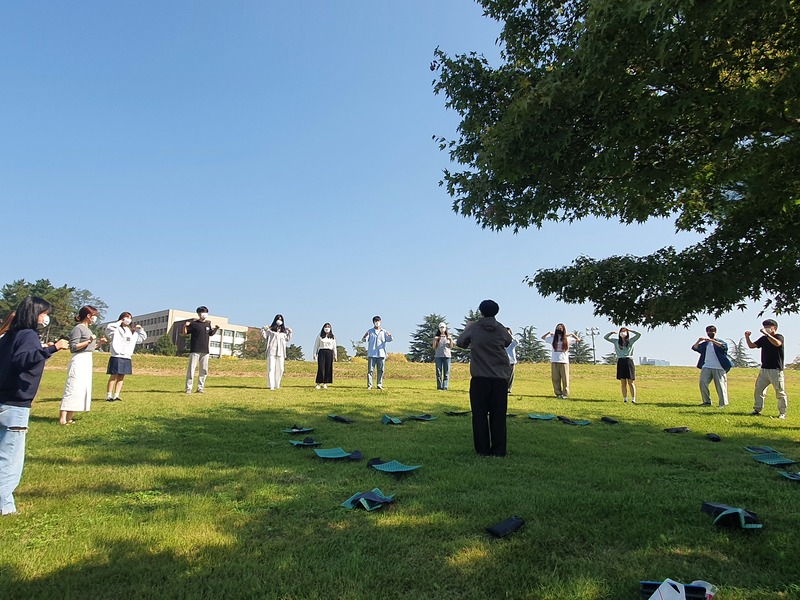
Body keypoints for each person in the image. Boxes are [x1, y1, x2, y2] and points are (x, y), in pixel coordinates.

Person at [0, 297, 69, 515]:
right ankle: (4, 506)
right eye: (44, 313)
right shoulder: (28, 335)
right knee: (10, 458)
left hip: (3, 399)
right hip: (16, 405)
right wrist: (53, 348)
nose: (45, 318)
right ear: (35, 313)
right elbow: (23, 360)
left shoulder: (8, 336)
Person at [456, 300, 513, 457]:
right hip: (500, 378)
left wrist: (467, 328)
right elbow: (508, 342)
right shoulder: (500, 328)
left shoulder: (474, 327)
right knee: (499, 415)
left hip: (480, 378)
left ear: (481, 311)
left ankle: (482, 450)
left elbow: (460, 343)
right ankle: (499, 450)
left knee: (479, 415)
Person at [60, 306, 105, 425]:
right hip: (79, 359)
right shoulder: (78, 328)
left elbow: (90, 348)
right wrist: (89, 341)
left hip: (87, 359)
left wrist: (99, 343)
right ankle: (63, 418)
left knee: (79, 388)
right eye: (94, 316)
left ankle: (70, 417)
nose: (95, 318)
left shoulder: (88, 330)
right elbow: (73, 347)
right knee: (72, 385)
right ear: (88, 316)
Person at [746, 319, 788, 419]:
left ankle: (782, 413)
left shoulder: (779, 337)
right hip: (764, 369)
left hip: (776, 370)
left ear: (775, 328)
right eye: (765, 327)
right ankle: (757, 409)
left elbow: (777, 344)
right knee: (759, 390)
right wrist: (747, 337)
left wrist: (767, 334)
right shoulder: (763, 339)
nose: (766, 328)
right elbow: (752, 346)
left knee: (780, 392)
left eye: (768, 327)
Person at [105, 312, 147, 402]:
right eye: (126, 317)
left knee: (121, 376)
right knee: (114, 376)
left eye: (130, 318)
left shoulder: (131, 331)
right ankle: (109, 395)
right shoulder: (116, 329)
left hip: (127, 356)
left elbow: (141, 338)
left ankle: (116, 395)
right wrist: (119, 322)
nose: (128, 320)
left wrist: (140, 329)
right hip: (117, 355)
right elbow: (109, 327)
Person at [691, 325, 732, 408]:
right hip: (706, 366)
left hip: (719, 367)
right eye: (709, 331)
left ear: (715, 332)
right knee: (703, 383)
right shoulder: (705, 344)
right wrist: (699, 340)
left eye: (712, 331)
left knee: (720, 386)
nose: (710, 333)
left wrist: (712, 341)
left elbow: (723, 346)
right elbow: (695, 348)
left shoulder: (720, 342)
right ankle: (706, 401)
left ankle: (723, 403)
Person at [183, 306, 220, 394]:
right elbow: (185, 333)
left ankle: (200, 388)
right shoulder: (194, 324)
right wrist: (185, 326)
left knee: (203, 370)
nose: (204, 314)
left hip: (205, 350)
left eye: (206, 312)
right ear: (199, 314)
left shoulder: (207, 324)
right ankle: (188, 388)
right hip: (195, 350)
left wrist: (216, 329)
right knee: (191, 370)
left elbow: (210, 333)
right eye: (202, 312)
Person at [542, 324, 581, 398]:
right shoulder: (552, 338)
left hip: (564, 361)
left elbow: (578, 340)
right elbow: (543, 338)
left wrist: (572, 334)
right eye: (558, 328)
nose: (559, 329)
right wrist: (549, 333)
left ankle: (565, 394)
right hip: (554, 361)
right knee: (555, 379)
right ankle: (558, 393)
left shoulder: (567, 339)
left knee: (565, 379)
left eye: (560, 328)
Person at [605, 327, 642, 403]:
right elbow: (606, 337)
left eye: (624, 331)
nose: (623, 333)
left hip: (629, 361)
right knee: (623, 382)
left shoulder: (631, 341)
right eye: (621, 331)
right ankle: (625, 398)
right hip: (621, 361)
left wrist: (630, 330)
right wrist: (611, 333)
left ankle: (633, 398)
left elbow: (639, 335)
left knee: (631, 382)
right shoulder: (616, 341)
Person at [361, 316, 393, 390]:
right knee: (370, 370)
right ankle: (370, 385)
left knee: (381, 370)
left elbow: (390, 339)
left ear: (380, 322)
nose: (377, 322)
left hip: (381, 354)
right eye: (375, 321)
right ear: (373, 322)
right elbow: (364, 340)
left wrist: (390, 335)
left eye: (378, 321)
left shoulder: (383, 331)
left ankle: (379, 384)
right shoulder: (370, 331)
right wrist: (364, 336)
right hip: (372, 354)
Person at [261, 314, 292, 390]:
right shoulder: (271, 330)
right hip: (272, 351)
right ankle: (271, 385)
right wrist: (263, 329)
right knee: (271, 368)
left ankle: (277, 384)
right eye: (278, 319)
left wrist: (290, 332)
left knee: (281, 369)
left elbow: (287, 339)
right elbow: (265, 337)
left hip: (281, 352)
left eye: (281, 319)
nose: (279, 321)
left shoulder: (284, 332)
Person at [312, 323, 336, 389]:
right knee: (321, 368)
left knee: (328, 368)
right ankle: (318, 383)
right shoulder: (320, 336)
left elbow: (334, 346)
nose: (327, 328)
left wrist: (335, 355)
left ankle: (325, 383)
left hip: (329, 353)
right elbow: (316, 345)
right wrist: (314, 354)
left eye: (328, 327)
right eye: (326, 327)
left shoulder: (332, 337)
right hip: (322, 352)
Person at [433, 322, 454, 390]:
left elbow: (451, 347)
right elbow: (434, 347)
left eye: (443, 327)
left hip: (447, 356)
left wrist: (450, 340)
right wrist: (435, 340)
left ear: (445, 328)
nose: (442, 329)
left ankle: (445, 387)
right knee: (438, 372)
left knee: (446, 372)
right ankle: (439, 387)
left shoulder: (448, 337)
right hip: (438, 356)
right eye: (441, 327)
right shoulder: (437, 337)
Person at [505, 327, 518, 394]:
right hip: (503, 361)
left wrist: (511, 336)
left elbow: (517, 342)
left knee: (510, 376)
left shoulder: (512, 343)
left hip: (511, 361)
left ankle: (508, 389)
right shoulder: (501, 341)